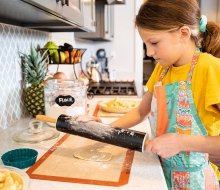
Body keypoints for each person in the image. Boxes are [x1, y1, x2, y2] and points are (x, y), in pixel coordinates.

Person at [109, 0, 220, 189]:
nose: (150, 52)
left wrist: (181, 141)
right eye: (145, 44)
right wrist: (100, 130)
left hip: (197, 182)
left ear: (183, 33)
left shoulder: (209, 68)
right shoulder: (162, 69)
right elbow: (140, 112)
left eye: (154, 43)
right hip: (161, 174)